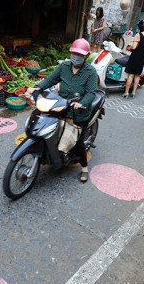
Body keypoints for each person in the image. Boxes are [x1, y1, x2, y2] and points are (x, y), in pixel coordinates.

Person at [27, 39, 97, 183]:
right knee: (49, 125)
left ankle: (84, 168)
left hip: (79, 111)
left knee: (78, 142)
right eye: (74, 53)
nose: (76, 56)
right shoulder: (64, 66)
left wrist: (81, 103)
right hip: (62, 105)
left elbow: (91, 93)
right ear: (71, 53)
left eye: (80, 54)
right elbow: (50, 80)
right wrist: (37, 87)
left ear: (86, 56)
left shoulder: (90, 71)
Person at [123, 20, 144, 98]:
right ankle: (134, 92)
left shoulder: (138, 35)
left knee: (131, 75)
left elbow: (134, 47)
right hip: (142, 57)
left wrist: (130, 48)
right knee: (137, 76)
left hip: (135, 56)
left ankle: (126, 92)